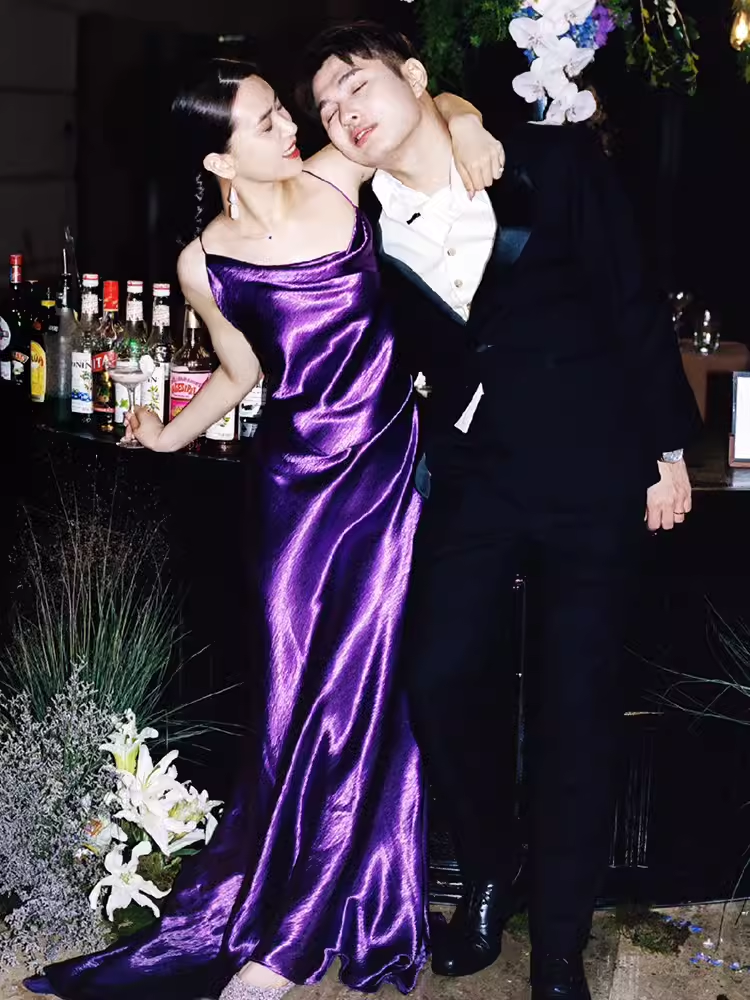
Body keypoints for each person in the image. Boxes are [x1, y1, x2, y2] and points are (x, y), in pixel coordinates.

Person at [23, 60, 503, 1000]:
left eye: (284, 109)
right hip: (291, 494)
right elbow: (242, 372)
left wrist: (469, 117)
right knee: (290, 699)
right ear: (218, 158)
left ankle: (299, 935)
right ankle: (274, 891)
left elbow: (422, 109)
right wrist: (169, 432)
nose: (293, 127)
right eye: (266, 122)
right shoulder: (203, 263)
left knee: (363, 695)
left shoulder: (337, 175)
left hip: (388, 479)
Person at [302, 22, 702, 1000]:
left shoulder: (547, 160)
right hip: (475, 474)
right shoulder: (358, 223)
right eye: (326, 106)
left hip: (591, 466)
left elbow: (630, 295)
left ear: (413, 75)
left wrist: (666, 452)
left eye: (356, 84)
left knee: (576, 707)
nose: (344, 111)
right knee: (438, 674)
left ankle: (559, 941)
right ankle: (490, 865)